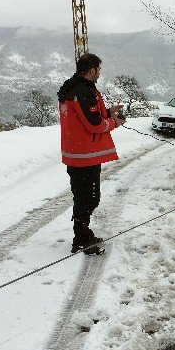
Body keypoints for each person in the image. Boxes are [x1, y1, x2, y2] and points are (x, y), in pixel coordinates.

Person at [57, 53, 125, 255]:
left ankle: (83, 234)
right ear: (92, 70)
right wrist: (115, 122)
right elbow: (94, 124)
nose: (100, 74)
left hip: (78, 154)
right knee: (88, 198)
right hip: (85, 156)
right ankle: (81, 239)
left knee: (84, 197)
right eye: (99, 70)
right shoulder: (83, 91)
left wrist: (108, 111)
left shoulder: (72, 88)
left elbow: (88, 115)